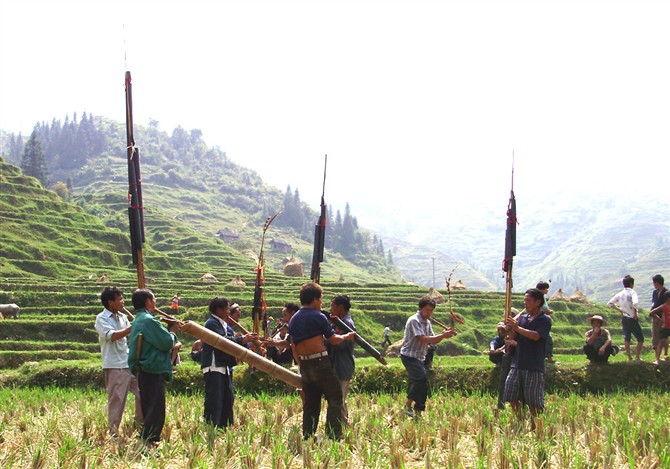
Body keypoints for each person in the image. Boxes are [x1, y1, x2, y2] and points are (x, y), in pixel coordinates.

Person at [288, 282, 355, 440]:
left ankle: (308, 435)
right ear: (314, 300)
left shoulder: (294, 319)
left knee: (311, 402)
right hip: (320, 362)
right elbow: (333, 340)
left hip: (304, 364)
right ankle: (334, 435)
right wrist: (347, 336)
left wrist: (300, 363)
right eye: (321, 299)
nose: (322, 302)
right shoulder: (318, 316)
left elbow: (293, 345)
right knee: (335, 397)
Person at [127, 288, 181, 446]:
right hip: (152, 368)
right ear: (148, 302)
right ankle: (149, 440)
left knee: (150, 405)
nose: (155, 302)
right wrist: (172, 330)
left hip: (145, 368)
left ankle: (148, 439)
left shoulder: (141, 319)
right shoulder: (148, 321)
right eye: (154, 299)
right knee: (155, 408)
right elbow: (166, 342)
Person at [201, 296, 257, 428]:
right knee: (215, 399)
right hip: (214, 366)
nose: (228, 311)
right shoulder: (211, 323)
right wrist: (242, 339)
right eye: (226, 309)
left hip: (223, 366)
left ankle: (224, 427)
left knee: (227, 398)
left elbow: (229, 340)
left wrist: (246, 343)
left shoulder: (222, 324)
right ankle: (212, 427)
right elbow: (222, 342)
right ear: (218, 310)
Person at [94, 286, 142, 436]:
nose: (123, 302)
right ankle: (113, 432)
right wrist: (132, 328)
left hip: (128, 362)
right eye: (120, 299)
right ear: (110, 302)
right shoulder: (101, 318)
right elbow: (112, 336)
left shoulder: (122, 317)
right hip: (114, 365)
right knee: (117, 400)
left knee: (143, 394)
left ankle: (140, 425)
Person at [399, 296, 457, 418]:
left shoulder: (427, 322)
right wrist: (443, 335)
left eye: (431, 310)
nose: (429, 313)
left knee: (423, 384)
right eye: (426, 310)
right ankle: (407, 405)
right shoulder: (414, 320)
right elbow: (423, 338)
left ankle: (418, 411)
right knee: (420, 378)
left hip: (420, 357)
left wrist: (444, 335)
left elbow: (433, 340)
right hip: (409, 355)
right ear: (420, 309)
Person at [503, 288, 552, 427]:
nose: (525, 303)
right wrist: (509, 329)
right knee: (510, 394)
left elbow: (536, 336)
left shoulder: (545, 320)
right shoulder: (523, 318)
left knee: (533, 400)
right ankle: (520, 420)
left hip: (534, 365)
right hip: (518, 363)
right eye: (524, 300)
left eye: (528, 301)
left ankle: (536, 425)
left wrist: (517, 328)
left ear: (537, 302)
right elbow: (514, 337)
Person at [328, 294, 356, 423]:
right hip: (336, 364)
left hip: (342, 365)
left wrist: (328, 339)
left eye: (333, 305)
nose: (331, 307)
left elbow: (340, 345)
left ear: (340, 307)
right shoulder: (337, 322)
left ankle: (343, 426)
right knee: (338, 398)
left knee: (340, 399)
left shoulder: (347, 324)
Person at [607, 275, 642, 361]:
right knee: (640, 338)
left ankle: (630, 358)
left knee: (627, 338)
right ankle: (637, 357)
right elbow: (635, 303)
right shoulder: (632, 292)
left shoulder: (620, 294)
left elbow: (610, 303)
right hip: (632, 318)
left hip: (624, 318)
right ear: (631, 284)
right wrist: (635, 313)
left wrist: (620, 310)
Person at [536, 281, 556, 364]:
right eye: (546, 289)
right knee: (548, 339)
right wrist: (549, 312)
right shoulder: (539, 298)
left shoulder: (540, 297)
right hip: (541, 322)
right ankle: (549, 358)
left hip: (541, 321)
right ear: (542, 289)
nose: (547, 291)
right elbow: (544, 310)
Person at [650, 274, 668, 360]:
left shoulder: (666, 293)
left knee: (663, 337)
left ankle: (665, 354)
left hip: (663, 317)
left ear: (657, 283)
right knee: (655, 336)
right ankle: (657, 356)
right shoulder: (655, 292)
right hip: (655, 316)